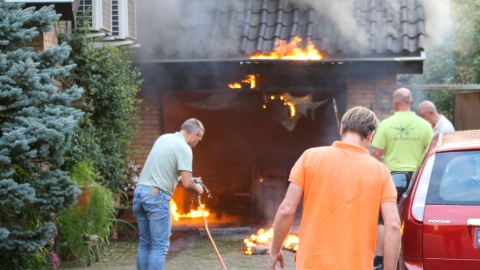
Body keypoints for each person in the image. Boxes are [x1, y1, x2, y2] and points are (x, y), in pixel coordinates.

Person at [269, 106, 401, 270]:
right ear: (370, 135)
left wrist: (275, 249)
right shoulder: (381, 171)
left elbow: (287, 209)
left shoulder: (310, 157)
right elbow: (393, 224)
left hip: (312, 264)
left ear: (341, 128)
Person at [371, 88, 434, 269]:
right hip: (417, 179)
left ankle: (380, 261)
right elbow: (431, 150)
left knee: (384, 219)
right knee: (412, 217)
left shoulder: (386, 124)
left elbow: (376, 154)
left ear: (394, 102)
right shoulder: (425, 126)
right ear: (411, 102)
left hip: (392, 179)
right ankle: (411, 255)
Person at [132, 118, 205, 270]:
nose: (198, 143)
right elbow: (187, 184)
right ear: (195, 133)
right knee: (159, 246)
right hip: (156, 198)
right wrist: (198, 188)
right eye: (199, 139)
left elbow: (165, 171)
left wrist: (192, 179)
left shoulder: (164, 138)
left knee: (145, 243)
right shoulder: (184, 148)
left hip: (140, 193)